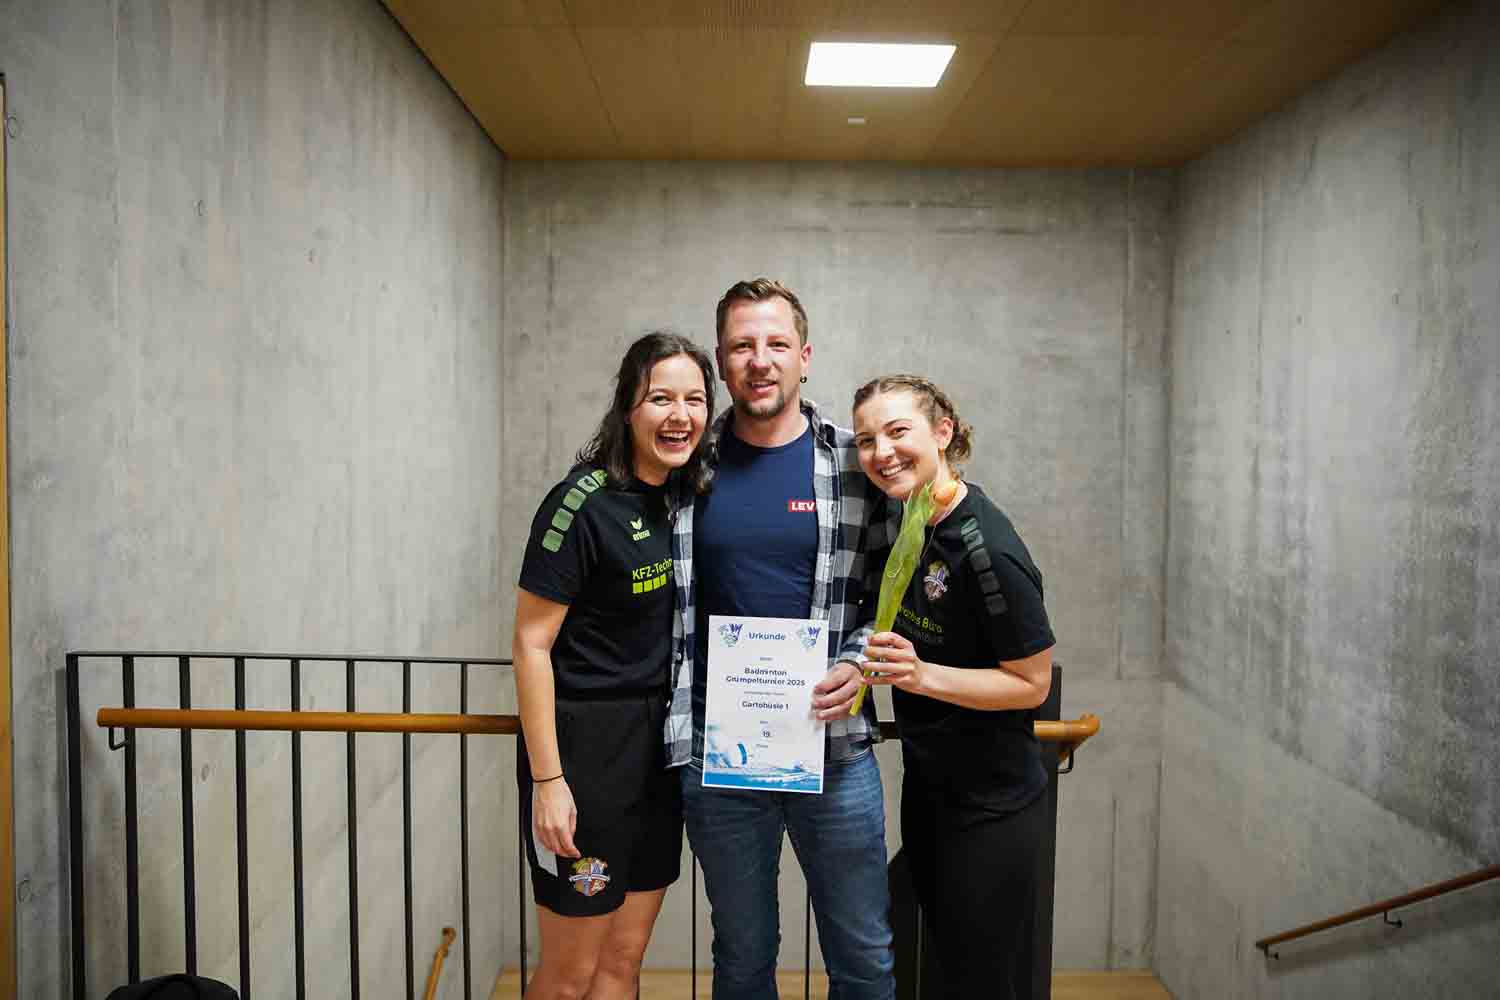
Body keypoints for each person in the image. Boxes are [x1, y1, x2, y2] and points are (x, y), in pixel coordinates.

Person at [664, 279, 896, 999]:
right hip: (720, 760)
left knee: (864, 959)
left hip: (835, 751)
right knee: (742, 959)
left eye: (775, 344)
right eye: (742, 346)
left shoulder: (856, 463)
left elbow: (896, 595)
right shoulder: (685, 464)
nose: (759, 361)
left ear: (805, 357)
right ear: (721, 362)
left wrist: (859, 665)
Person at [513, 332, 715, 1000]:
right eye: (660, 398)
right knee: (569, 977)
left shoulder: (684, 501)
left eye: (694, 399)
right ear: (628, 407)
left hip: (659, 755)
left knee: (623, 963)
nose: (679, 415)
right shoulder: (579, 503)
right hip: (585, 759)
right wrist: (549, 781)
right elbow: (531, 645)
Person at [851, 375, 1056, 1000]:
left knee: (982, 982)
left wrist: (920, 676)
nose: (882, 452)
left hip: (990, 810)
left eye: (897, 431)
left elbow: (1032, 683)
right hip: (931, 791)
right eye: (866, 440)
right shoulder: (910, 518)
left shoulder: (986, 547)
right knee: (947, 970)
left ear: (942, 433)